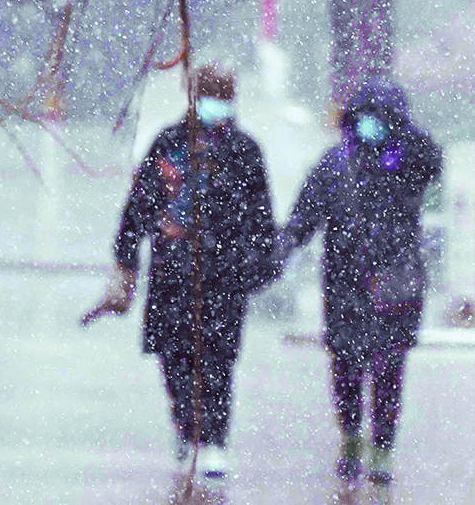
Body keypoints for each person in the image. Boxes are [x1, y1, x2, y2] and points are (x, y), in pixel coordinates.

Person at [82, 64, 277, 480]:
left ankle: (214, 441)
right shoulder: (168, 143)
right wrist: (126, 254)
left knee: (218, 362)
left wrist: (260, 262)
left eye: (222, 97)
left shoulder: (244, 151)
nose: (214, 105)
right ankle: (186, 427)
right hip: (172, 273)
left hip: (225, 277)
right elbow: (139, 205)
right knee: (174, 359)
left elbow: (260, 214)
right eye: (208, 95)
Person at [277, 78, 442, 486]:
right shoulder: (334, 164)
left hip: (394, 287)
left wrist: (401, 134)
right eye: (367, 118)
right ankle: (351, 439)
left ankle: (383, 448)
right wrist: (277, 250)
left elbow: (433, 161)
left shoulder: (407, 163)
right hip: (344, 286)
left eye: (383, 120)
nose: (373, 128)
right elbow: (303, 217)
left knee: (389, 370)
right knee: (346, 368)